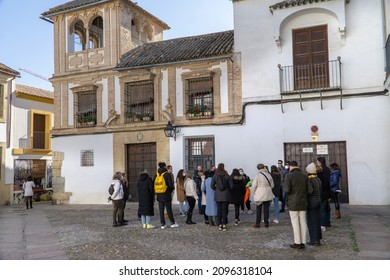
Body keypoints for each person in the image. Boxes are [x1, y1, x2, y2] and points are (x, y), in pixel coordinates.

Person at [283, 161, 313, 249]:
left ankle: (297, 242)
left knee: (295, 222)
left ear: (291, 166)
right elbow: (310, 190)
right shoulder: (304, 175)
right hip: (303, 201)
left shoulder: (289, 176)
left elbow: (286, 190)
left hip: (293, 202)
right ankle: (303, 242)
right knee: (303, 221)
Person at [154, 162, 179, 229]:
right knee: (169, 209)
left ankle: (162, 224)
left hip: (159, 195)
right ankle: (172, 223)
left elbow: (154, 183)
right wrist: (170, 191)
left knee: (161, 210)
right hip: (166, 194)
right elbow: (170, 185)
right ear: (165, 166)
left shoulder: (156, 174)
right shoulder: (167, 174)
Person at [211, 163, 233, 231]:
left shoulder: (215, 175)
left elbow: (212, 186)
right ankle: (224, 224)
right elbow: (231, 186)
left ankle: (220, 224)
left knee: (219, 210)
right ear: (223, 167)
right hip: (226, 194)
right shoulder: (227, 175)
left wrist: (217, 189)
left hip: (218, 194)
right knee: (224, 210)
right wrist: (227, 189)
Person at [252, 163, 275, 228]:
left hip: (259, 193)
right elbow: (272, 185)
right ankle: (266, 223)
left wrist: (254, 193)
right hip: (267, 193)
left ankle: (258, 223)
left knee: (258, 209)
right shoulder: (269, 175)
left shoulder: (257, 175)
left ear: (258, 168)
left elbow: (254, 186)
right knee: (266, 209)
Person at [306, 163, 322, 246]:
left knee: (311, 221)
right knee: (317, 220)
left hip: (312, 202)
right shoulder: (317, 179)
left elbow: (309, 191)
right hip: (318, 200)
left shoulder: (309, 180)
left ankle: (313, 239)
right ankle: (318, 239)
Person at [317, 156, 331, 231]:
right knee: (327, 208)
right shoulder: (328, 169)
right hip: (327, 191)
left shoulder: (319, 170)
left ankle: (322, 224)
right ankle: (328, 222)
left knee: (322, 209)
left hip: (321, 192)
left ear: (319, 162)